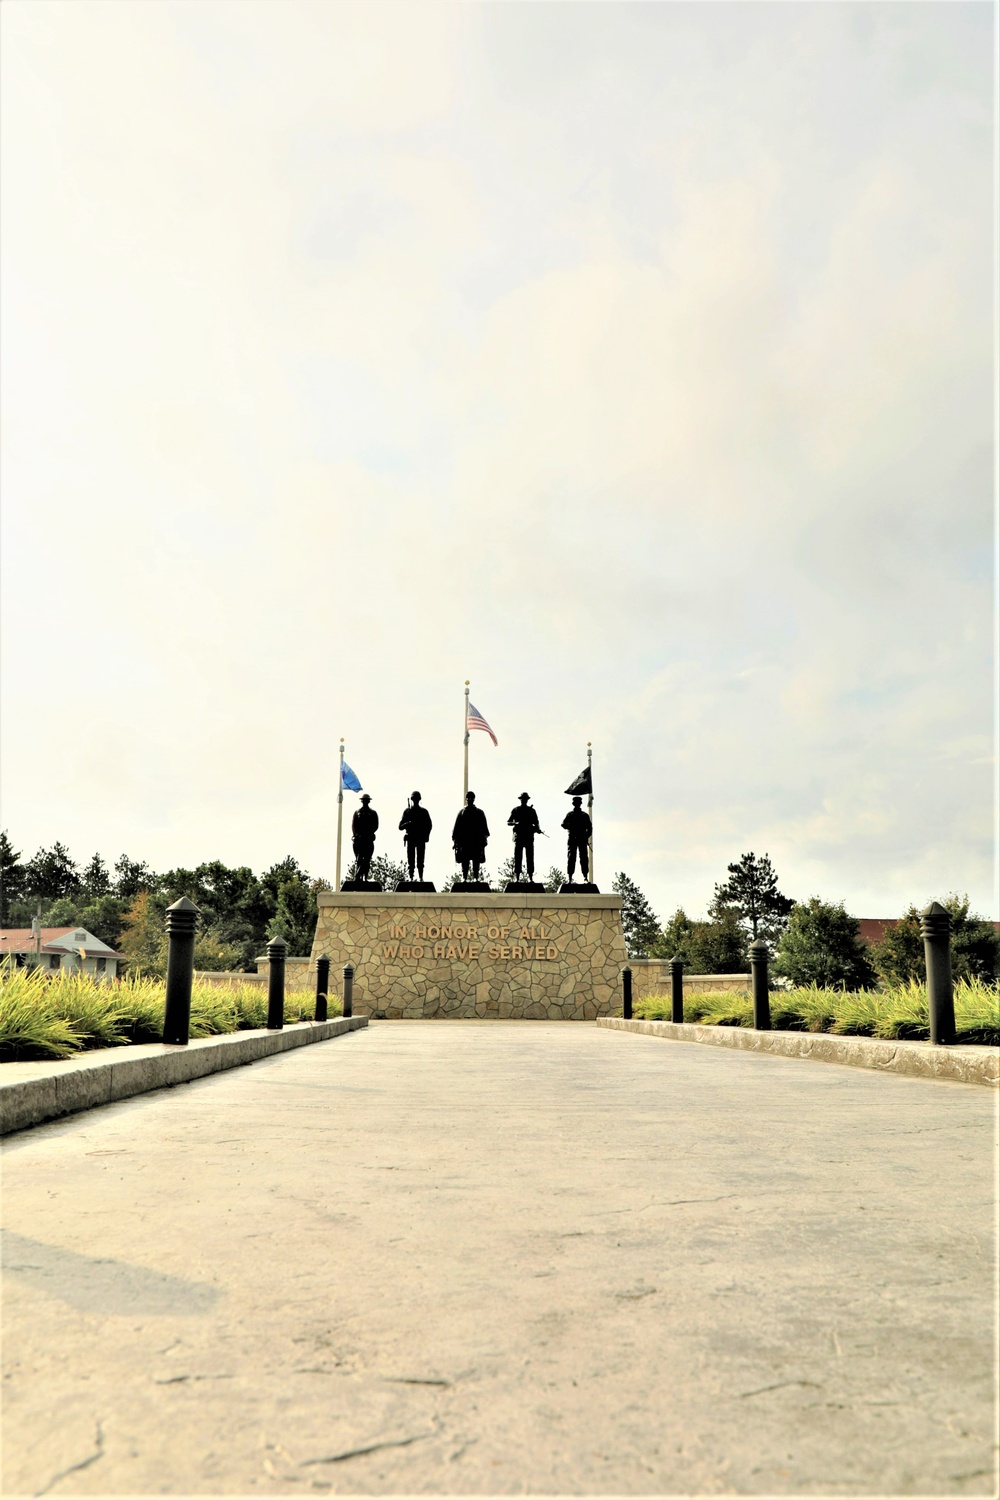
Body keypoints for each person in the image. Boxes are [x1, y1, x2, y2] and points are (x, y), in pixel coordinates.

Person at [452, 791, 490, 882]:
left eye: (471, 798)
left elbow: (484, 828)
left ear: (474, 799)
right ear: (466, 799)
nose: (469, 800)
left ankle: (476, 877)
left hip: (476, 841)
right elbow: (456, 828)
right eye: (468, 798)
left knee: (476, 860)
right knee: (465, 860)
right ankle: (464, 877)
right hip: (464, 841)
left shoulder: (480, 813)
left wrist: (483, 839)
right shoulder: (461, 813)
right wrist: (456, 841)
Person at [507, 792, 541, 881]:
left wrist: (537, 829)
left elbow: (536, 822)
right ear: (520, 800)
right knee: (518, 857)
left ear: (527, 800)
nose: (524, 800)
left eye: (525, 799)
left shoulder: (532, 811)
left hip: (529, 837)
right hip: (519, 837)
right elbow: (508, 822)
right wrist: (515, 823)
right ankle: (517, 878)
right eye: (523, 799)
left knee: (530, 857)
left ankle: (530, 877)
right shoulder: (516, 810)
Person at [399, 792, 432, 882]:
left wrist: (426, 836)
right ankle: (411, 877)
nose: (415, 801)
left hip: (420, 838)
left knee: (420, 859)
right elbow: (400, 826)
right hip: (411, 838)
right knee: (411, 860)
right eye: (414, 799)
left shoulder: (424, 812)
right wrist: (408, 823)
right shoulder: (407, 811)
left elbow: (429, 825)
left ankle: (421, 877)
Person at [561, 796, 592, 882]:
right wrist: (570, 827)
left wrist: (585, 836)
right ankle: (570, 877)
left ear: (580, 804)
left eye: (578, 803)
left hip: (582, 839)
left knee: (584, 859)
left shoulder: (585, 815)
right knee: (571, 858)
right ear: (573, 804)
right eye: (576, 803)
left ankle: (585, 877)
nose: (577, 804)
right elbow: (563, 824)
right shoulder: (570, 815)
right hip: (572, 839)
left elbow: (590, 829)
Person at [351, 794, 379, 882]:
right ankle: (358, 877)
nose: (365, 802)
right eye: (364, 800)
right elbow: (353, 825)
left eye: (366, 800)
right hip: (359, 839)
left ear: (369, 801)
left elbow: (376, 825)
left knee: (367, 860)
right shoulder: (357, 812)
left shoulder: (373, 813)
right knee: (359, 859)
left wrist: (370, 833)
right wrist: (355, 835)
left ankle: (364, 877)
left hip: (368, 839)